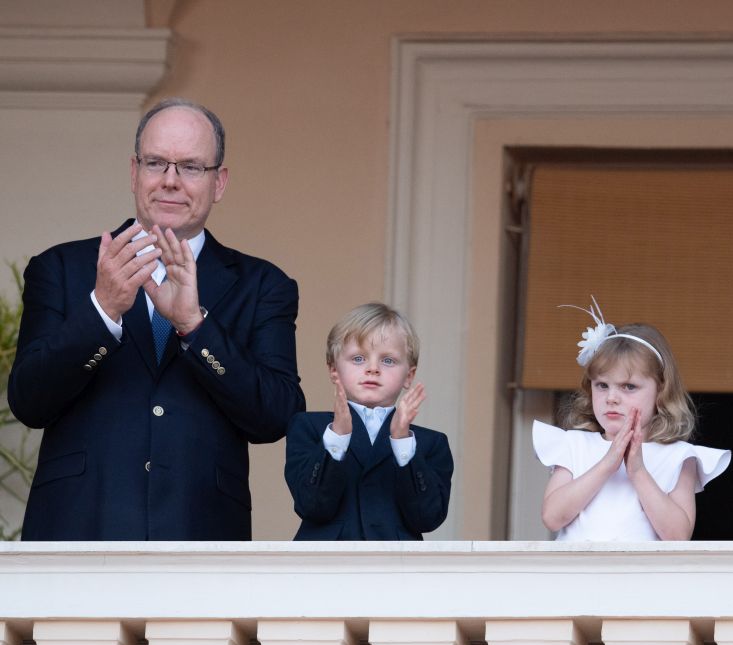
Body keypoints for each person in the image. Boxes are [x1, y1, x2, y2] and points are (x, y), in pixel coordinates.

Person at [8, 98, 305, 540]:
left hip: (200, 537)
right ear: (134, 172)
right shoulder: (62, 268)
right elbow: (28, 401)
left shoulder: (264, 285)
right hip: (77, 532)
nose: (170, 181)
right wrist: (103, 310)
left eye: (190, 166)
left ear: (218, 182)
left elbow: (278, 417)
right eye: (156, 163)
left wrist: (196, 327)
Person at [533, 299, 730, 541]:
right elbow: (552, 517)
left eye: (629, 386)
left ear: (660, 392)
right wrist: (608, 464)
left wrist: (637, 471)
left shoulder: (678, 457)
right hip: (579, 576)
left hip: (642, 577)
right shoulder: (574, 445)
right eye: (602, 385)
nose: (612, 398)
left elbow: (678, 535)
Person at [284, 302, 453, 540]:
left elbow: (427, 517)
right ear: (334, 370)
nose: (373, 368)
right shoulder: (309, 428)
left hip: (397, 571)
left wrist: (401, 442)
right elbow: (312, 506)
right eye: (358, 358)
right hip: (325, 570)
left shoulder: (430, 443)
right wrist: (338, 437)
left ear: (409, 376)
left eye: (388, 361)